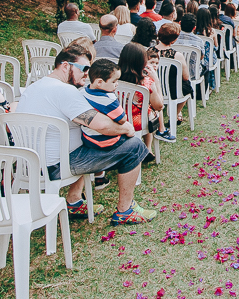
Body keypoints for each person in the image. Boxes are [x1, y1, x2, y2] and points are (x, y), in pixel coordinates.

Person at [15, 45, 154, 224]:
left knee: (84, 141)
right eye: (83, 69)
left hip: (32, 163)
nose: (87, 74)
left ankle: (73, 200)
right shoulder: (65, 91)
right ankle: (125, 210)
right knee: (134, 146)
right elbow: (102, 126)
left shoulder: (34, 87)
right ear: (65, 66)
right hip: (58, 165)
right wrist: (126, 128)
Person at [118, 42, 169, 144]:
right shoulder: (147, 82)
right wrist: (156, 81)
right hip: (139, 121)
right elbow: (159, 106)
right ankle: (149, 148)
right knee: (150, 109)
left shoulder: (114, 79)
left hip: (118, 118)